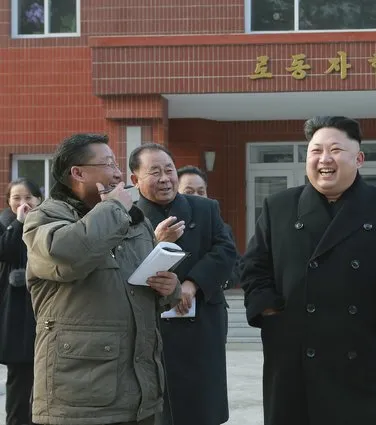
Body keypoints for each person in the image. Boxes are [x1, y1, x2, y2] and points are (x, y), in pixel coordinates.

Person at [241, 115, 376, 425]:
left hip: (366, 355)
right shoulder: (279, 207)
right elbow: (253, 266)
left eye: (335, 150)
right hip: (297, 354)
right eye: (315, 151)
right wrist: (270, 311)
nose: (324, 159)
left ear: (359, 158)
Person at [21, 133, 181, 425]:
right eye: (108, 164)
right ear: (78, 173)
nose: (118, 173)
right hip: (81, 394)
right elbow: (69, 256)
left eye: (116, 164)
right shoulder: (45, 217)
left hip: (139, 391)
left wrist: (169, 288)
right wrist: (113, 208)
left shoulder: (132, 219)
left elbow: (143, 284)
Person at [131, 144, 237, 425]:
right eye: (154, 172)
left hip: (200, 322)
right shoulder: (127, 217)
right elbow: (121, 264)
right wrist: (156, 244)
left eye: (169, 170)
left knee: (200, 406)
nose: (165, 178)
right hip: (151, 326)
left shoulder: (205, 208)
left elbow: (226, 251)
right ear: (135, 180)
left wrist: (192, 283)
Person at [0, 178, 42, 425]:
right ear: (8, 202)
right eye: (16, 198)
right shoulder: (5, 224)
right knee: (19, 379)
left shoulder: (48, 224)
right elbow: (5, 250)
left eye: (29, 197)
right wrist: (19, 223)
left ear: (39, 199)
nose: (23, 203)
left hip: (44, 308)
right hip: (15, 314)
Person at [176, 165, 242, 288]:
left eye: (201, 192)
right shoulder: (169, 226)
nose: (196, 196)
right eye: (189, 192)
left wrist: (219, 280)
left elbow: (236, 267)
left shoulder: (222, 228)